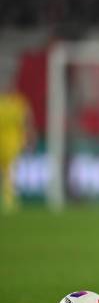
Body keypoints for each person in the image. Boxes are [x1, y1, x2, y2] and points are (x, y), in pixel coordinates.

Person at [0, 81, 34, 213]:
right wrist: (30, 136)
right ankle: (9, 201)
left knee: (10, 174)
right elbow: (27, 121)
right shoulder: (18, 103)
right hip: (10, 143)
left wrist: (29, 136)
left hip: (11, 144)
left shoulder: (18, 103)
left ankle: (8, 201)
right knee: (10, 174)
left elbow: (26, 122)